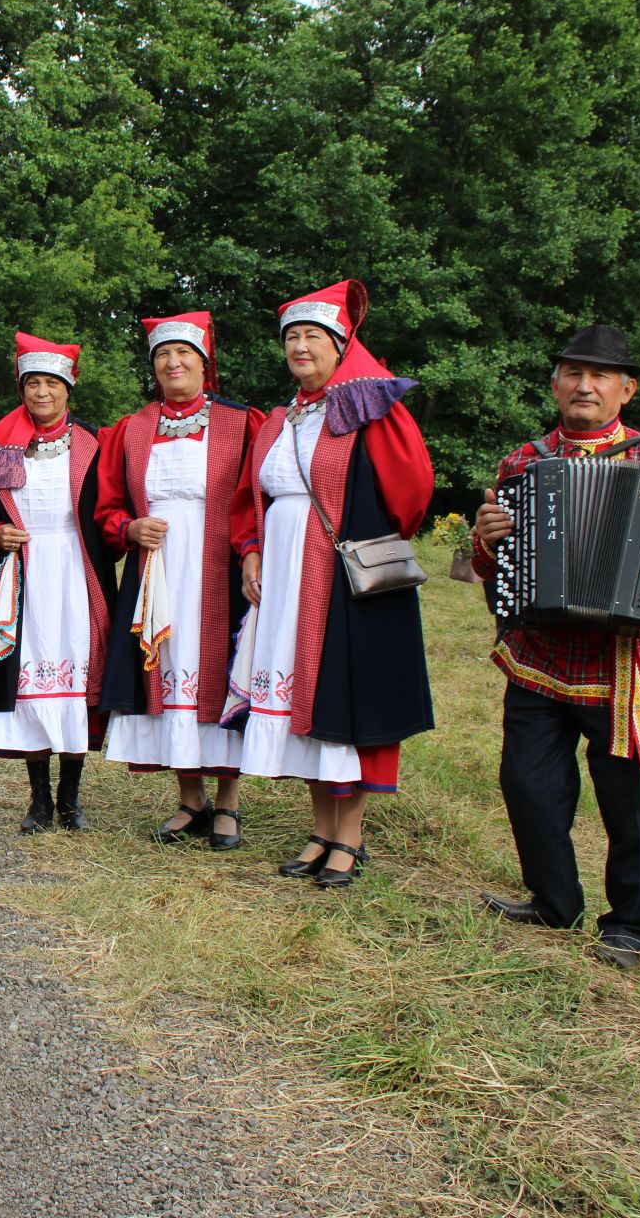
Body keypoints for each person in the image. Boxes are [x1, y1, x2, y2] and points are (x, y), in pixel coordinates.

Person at [470, 324, 640, 967]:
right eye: (573, 373)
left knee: (635, 800)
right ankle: (554, 904)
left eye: (600, 376)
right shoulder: (523, 461)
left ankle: (632, 927)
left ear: (625, 389)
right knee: (528, 787)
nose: (585, 385)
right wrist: (489, 538)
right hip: (538, 658)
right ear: (555, 383)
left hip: (625, 665)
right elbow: (491, 571)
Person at [230, 279, 435, 887]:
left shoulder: (369, 407)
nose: (299, 347)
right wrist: (250, 551)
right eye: (291, 337)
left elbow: (412, 489)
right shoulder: (279, 417)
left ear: (341, 344)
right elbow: (253, 495)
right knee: (303, 703)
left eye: (312, 336)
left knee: (345, 697)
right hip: (283, 564)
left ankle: (350, 839)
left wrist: (361, 536)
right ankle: (321, 830)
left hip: (342, 571)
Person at [96, 312, 264, 849]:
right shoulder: (133, 428)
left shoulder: (242, 422)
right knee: (168, 672)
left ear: (204, 363)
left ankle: (229, 803)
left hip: (219, 565)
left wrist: (252, 552)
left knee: (219, 670)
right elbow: (106, 504)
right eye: (163, 355)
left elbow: (259, 496)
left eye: (184, 354)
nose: (173, 363)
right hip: (157, 568)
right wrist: (128, 527)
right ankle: (190, 798)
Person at [0, 332, 117, 832]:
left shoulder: (97, 442)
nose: (41, 393)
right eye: (32, 384)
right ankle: (38, 800)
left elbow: (112, 505)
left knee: (76, 675)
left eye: (51, 383)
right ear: (21, 389)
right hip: (21, 570)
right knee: (27, 679)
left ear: (69, 388)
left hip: (76, 568)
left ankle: (70, 797)